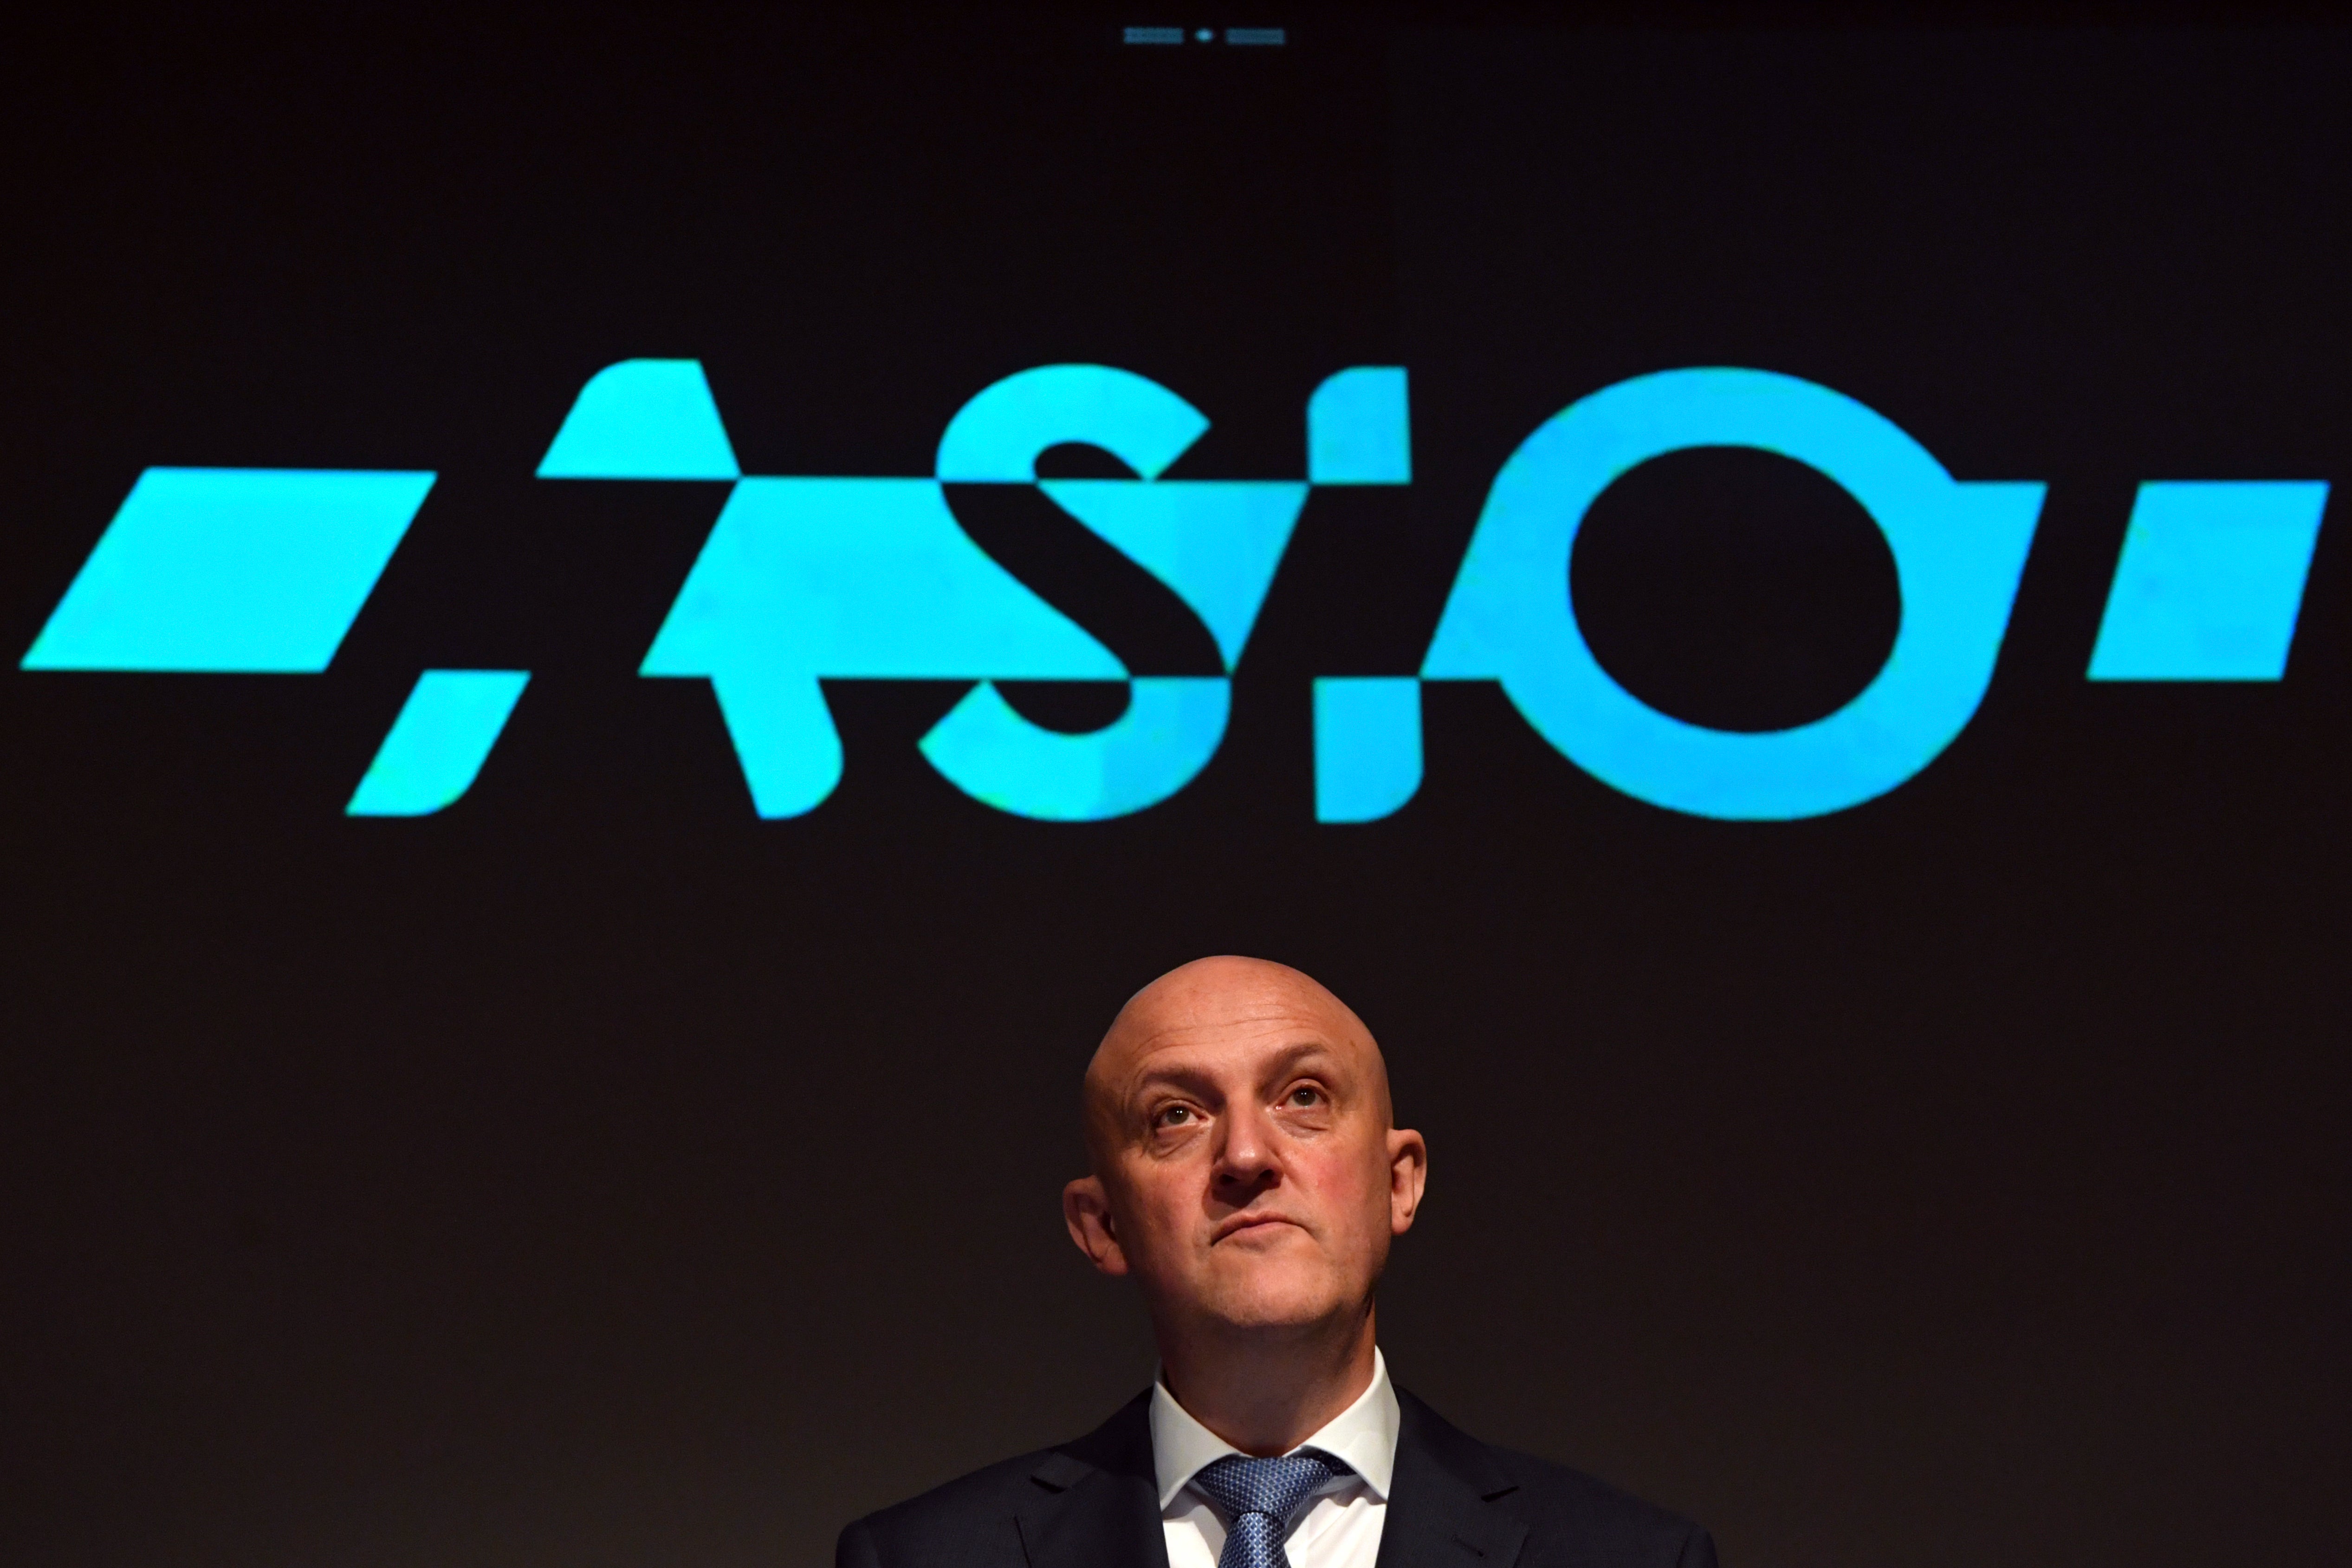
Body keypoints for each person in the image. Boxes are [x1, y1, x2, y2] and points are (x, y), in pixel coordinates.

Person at [836, 955, 1718, 1568]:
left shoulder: (1629, 1555)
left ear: (1398, 1181)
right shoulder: (923, 1557)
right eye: (1176, 1114)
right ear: (1102, 1223)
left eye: (1303, 1097)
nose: (1248, 1154)